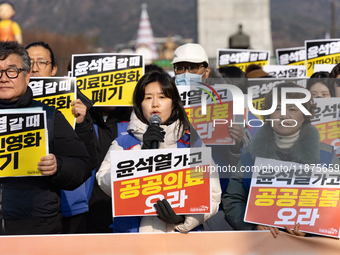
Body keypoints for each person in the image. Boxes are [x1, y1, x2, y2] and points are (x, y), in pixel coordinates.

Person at [96, 71, 221, 233]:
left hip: (181, 241)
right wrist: (140, 156)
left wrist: (183, 219)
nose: (155, 104)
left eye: (162, 97)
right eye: (148, 98)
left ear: (174, 103)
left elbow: (212, 195)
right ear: (139, 103)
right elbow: (105, 184)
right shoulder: (124, 143)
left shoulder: (193, 144)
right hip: (133, 238)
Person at [222, 82, 340, 238]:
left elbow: (334, 204)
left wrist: (313, 229)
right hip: (262, 246)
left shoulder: (326, 156)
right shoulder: (248, 156)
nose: (284, 115)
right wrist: (252, 225)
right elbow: (233, 199)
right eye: (277, 109)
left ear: (304, 115)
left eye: (292, 109)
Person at [0, 40, 92, 235]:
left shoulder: (49, 116)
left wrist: (58, 166)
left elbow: (82, 164)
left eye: (12, 71)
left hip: (35, 225)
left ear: (26, 76)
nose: (4, 78)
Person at [26, 41, 98, 234]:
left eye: (41, 62)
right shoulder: (11, 103)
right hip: (29, 207)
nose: (34, 68)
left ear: (54, 69)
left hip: (71, 202)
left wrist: (82, 122)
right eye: (28, 62)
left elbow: (90, 158)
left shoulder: (75, 103)